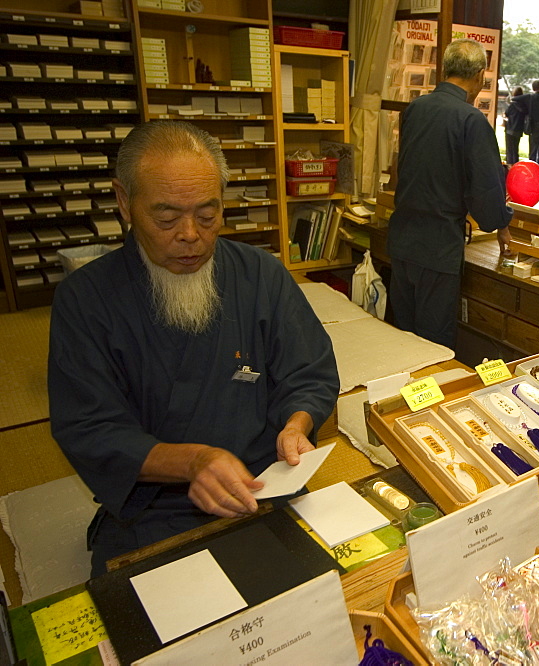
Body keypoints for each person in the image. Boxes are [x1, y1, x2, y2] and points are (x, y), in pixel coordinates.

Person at [47, 121, 340, 576]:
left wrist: (297, 423)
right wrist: (193, 462)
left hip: (262, 488)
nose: (190, 234)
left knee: (314, 609)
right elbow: (89, 426)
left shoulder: (260, 273)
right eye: (166, 218)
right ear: (124, 202)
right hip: (155, 507)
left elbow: (310, 370)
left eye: (207, 215)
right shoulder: (86, 299)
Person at [389, 39, 513, 349]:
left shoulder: (415, 109)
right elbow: (486, 192)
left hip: (403, 239)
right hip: (438, 245)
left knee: (401, 339)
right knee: (432, 346)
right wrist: (501, 223)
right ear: (479, 76)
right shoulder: (471, 120)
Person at [504, 86, 527, 165]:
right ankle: (516, 165)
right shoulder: (524, 106)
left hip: (510, 129)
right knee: (515, 150)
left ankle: (509, 166)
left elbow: (506, 114)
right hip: (518, 130)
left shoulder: (512, 105)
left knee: (509, 150)